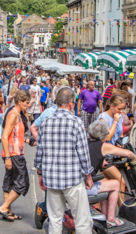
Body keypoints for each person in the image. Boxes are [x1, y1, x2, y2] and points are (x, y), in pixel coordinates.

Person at [34, 88, 94, 234]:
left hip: (52, 179)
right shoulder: (76, 122)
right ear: (71, 104)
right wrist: (88, 175)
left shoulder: (46, 122)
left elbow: (39, 152)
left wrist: (40, 174)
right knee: (82, 220)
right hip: (72, 178)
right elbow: (83, 153)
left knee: (55, 220)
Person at [86, 120, 136, 227]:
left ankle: (105, 217)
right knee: (115, 184)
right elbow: (128, 153)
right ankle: (111, 219)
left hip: (80, 183)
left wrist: (101, 163)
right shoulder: (103, 145)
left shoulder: (86, 142)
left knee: (106, 182)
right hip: (86, 187)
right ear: (103, 135)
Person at [0, 90, 31, 222]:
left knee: (10, 182)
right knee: (22, 183)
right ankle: (5, 207)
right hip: (13, 154)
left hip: (13, 153)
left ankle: (9, 212)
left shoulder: (18, 114)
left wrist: (28, 141)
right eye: (26, 103)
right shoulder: (13, 115)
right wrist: (8, 158)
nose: (28, 105)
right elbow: (4, 137)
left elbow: (15, 135)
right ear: (19, 101)